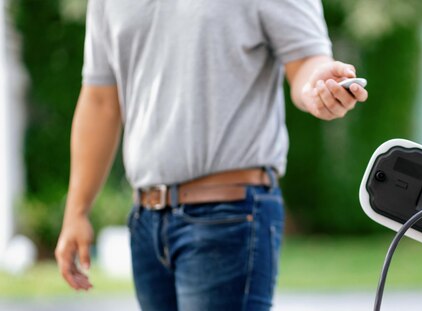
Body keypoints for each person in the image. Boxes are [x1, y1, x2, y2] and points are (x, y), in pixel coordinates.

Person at [54, 0, 368, 310]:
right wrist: (76, 212)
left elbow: (306, 64)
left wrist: (321, 85)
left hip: (229, 215)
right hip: (146, 220)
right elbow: (100, 99)